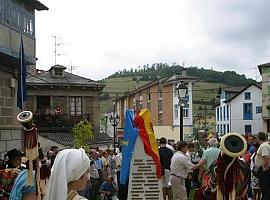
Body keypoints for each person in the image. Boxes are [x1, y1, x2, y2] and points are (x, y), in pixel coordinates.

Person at [255, 132, 270, 200]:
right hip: (265, 170)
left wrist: (265, 168)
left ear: (259, 138)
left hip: (265, 170)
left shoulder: (263, 146)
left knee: (265, 189)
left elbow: (266, 157)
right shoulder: (265, 145)